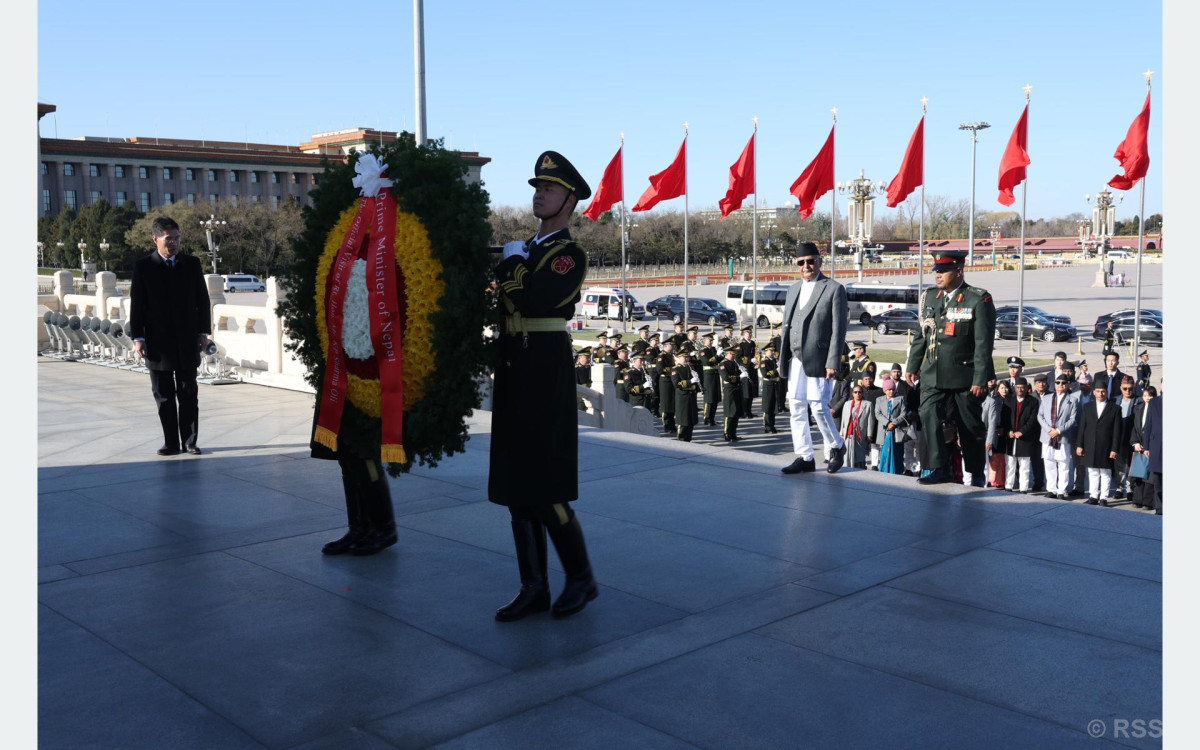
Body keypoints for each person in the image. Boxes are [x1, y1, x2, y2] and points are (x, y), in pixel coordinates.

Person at [490, 151, 597, 621]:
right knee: (517, 482)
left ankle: (581, 578)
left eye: (549, 189)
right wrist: (515, 264)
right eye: (537, 187)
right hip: (515, 362)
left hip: (544, 367)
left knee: (547, 481)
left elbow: (532, 299)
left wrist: (511, 266)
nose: (539, 194)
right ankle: (533, 586)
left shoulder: (568, 255)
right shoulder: (527, 249)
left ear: (569, 201)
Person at [905, 249, 996, 486]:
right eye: (936, 270)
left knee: (970, 427)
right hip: (933, 373)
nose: (938, 275)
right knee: (928, 414)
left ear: (958, 271)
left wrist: (980, 378)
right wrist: (913, 365)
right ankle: (939, 467)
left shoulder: (978, 299)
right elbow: (922, 334)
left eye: (943, 271)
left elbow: (983, 344)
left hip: (964, 376)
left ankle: (976, 473)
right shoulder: (930, 297)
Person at [130, 216, 212, 457]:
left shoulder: (192, 264)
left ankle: (190, 442)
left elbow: (202, 300)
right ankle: (171, 443)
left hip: (187, 340)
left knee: (188, 393)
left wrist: (203, 333)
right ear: (155, 239)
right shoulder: (143, 266)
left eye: (177, 238)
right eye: (168, 239)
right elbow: (137, 305)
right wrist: (138, 338)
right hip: (157, 343)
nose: (174, 243)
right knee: (163, 396)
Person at [779, 242, 849, 475]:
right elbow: (788, 326)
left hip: (819, 358)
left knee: (818, 406)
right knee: (797, 407)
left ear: (820, 261)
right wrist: (782, 358)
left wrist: (833, 361)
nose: (806, 266)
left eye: (810, 261)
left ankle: (836, 445)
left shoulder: (833, 288)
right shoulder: (792, 290)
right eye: (801, 262)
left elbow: (839, 330)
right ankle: (805, 456)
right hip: (795, 358)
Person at [1075, 375, 1123, 506]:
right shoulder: (1088, 407)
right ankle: (1093, 496)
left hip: (1106, 446)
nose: (1100, 394)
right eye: (1098, 391)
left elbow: (1117, 431)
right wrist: (1079, 445)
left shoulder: (1115, 408)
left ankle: (1103, 498)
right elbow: (1082, 427)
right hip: (1090, 444)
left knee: (1105, 472)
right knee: (1092, 471)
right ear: (1094, 392)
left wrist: (1114, 448)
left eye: (1103, 391)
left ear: (1107, 392)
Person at [1037, 373, 1080, 499]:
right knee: (1049, 462)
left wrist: (1059, 431)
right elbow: (1040, 416)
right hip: (1048, 435)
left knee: (1063, 464)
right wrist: (1049, 429)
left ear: (1068, 385)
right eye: (1058, 382)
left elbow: (1072, 419)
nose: (1060, 385)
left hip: (1063, 436)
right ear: (1054, 384)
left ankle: (1061, 490)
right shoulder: (1046, 398)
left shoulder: (1072, 400)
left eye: (1063, 383)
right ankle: (1051, 489)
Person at [1003, 378, 1040, 492]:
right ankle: (1008, 486)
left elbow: (1033, 420)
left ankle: (1023, 488)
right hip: (1011, 438)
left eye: (1023, 387)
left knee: (1024, 465)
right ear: (1014, 388)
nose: (1020, 390)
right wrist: (1008, 430)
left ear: (1027, 388)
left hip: (1025, 438)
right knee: (1010, 464)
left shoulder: (1033, 401)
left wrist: (1022, 431)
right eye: (1018, 387)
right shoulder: (1008, 399)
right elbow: (1004, 417)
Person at [873, 375, 910, 474]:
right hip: (884, 430)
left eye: (893, 389)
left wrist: (894, 423)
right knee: (885, 450)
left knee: (898, 451)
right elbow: (877, 413)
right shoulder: (879, 400)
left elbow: (903, 413)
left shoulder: (900, 399)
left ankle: (897, 470)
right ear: (885, 390)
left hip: (897, 430)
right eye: (889, 390)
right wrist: (887, 423)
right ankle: (884, 470)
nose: (891, 392)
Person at [1130, 386, 1158, 511]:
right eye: (1145, 395)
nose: (1148, 398)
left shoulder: (1158, 409)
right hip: (1139, 446)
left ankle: (1148, 502)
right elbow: (1135, 427)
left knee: (1150, 476)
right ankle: (1137, 499)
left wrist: (1150, 446)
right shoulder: (1138, 408)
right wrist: (1135, 442)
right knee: (1139, 473)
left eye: (1150, 396)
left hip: (1152, 446)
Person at [838, 383, 875, 469]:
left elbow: (871, 420)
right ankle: (847, 469)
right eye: (855, 392)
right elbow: (843, 419)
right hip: (848, 433)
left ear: (862, 393)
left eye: (859, 392)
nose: (857, 394)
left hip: (861, 434)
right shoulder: (847, 404)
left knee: (860, 454)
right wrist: (842, 433)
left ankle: (860, 469)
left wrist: (869, 434)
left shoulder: (868, 404)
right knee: (847, 453)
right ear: (852, 393)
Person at [983, 380, 1008, 488]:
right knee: (994, 458)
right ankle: (993, 480)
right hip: (995, 432)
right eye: (1002, 388)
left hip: (1005, 432)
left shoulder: (1011, 400)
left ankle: (1002, 481)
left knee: (1004, 459)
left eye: (1006, 388)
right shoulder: (995, 400)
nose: (1004, 390)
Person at [1141, 392, 1163, 515]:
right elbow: (1148, 425)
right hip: (1156, 446)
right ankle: (1160, 508)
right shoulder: (1154, 402)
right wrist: (1146, 447)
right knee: (1158, 479)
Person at [672, 350, 700, 442]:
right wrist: (690, 382)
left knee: (690, 419)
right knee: (683, 420)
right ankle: (681, 439)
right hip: (682, 397)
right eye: (684, 357)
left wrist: (696, 382)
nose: (686, 359)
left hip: (691, 396)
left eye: (687, 357)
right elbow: (676, 383)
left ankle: (688, 439)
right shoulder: (675, 369)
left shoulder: (690, 367)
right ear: (679, 358)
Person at [719, 345, 743, 442]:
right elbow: (726, 377)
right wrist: (739, 377)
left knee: (736, 412)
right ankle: (727, 433)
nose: (733, 356)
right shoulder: (722, 364)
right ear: (727, 354)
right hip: (729, 389)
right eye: (732, 354)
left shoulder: (735, 363)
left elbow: (737, 373)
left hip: (736, 389)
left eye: (734, 354)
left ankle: (733, 433)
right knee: (729, 412)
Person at [699, 332, 721, 426]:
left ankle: (712, 418)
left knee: (715, 397)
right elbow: (707, 362)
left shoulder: (713, 349)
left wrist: (721, 356)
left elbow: (718, 361)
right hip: (708, 374)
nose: (711, 342)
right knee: (709, 397)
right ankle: (706, 418)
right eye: (710, 340)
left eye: (712, 340)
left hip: (715, 373)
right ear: (705, 341)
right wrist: (717, 356)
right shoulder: (702, 351)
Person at [737, 325, 759, 417]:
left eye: (750, 333)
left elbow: (755, 354)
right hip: (745, 369)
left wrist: (758, 355)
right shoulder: (740, 344)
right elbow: (738, 358)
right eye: (748, 333)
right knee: (745, 392)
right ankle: (743, 412)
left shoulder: (753, 343)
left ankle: (749, 411)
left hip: (752, 369)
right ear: (744, 334)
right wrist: (750, 360)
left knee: (751, 391)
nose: (750, 334)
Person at [759, 343, 781, 434]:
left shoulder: (774, 360)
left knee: (773, 406)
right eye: (770, 351)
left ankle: (772, 425)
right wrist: (776, 371)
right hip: (768, 385)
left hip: (775, 384)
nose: (772, 352)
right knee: (767, 406)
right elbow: (766, 374)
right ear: (766, 351)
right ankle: (767, 426)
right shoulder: (764, 362)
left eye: (773, 351)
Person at [657, 341, 677, 433]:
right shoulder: (661, 356)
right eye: (671, 345)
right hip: (665, 381)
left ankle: (672, 424)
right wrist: (673, 369)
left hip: (671, 380)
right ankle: (667, 425)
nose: (672, 346)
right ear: (666, 346)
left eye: (673, 345)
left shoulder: (672, 355)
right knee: (666, 404)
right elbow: (660, 370)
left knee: (672, 403)